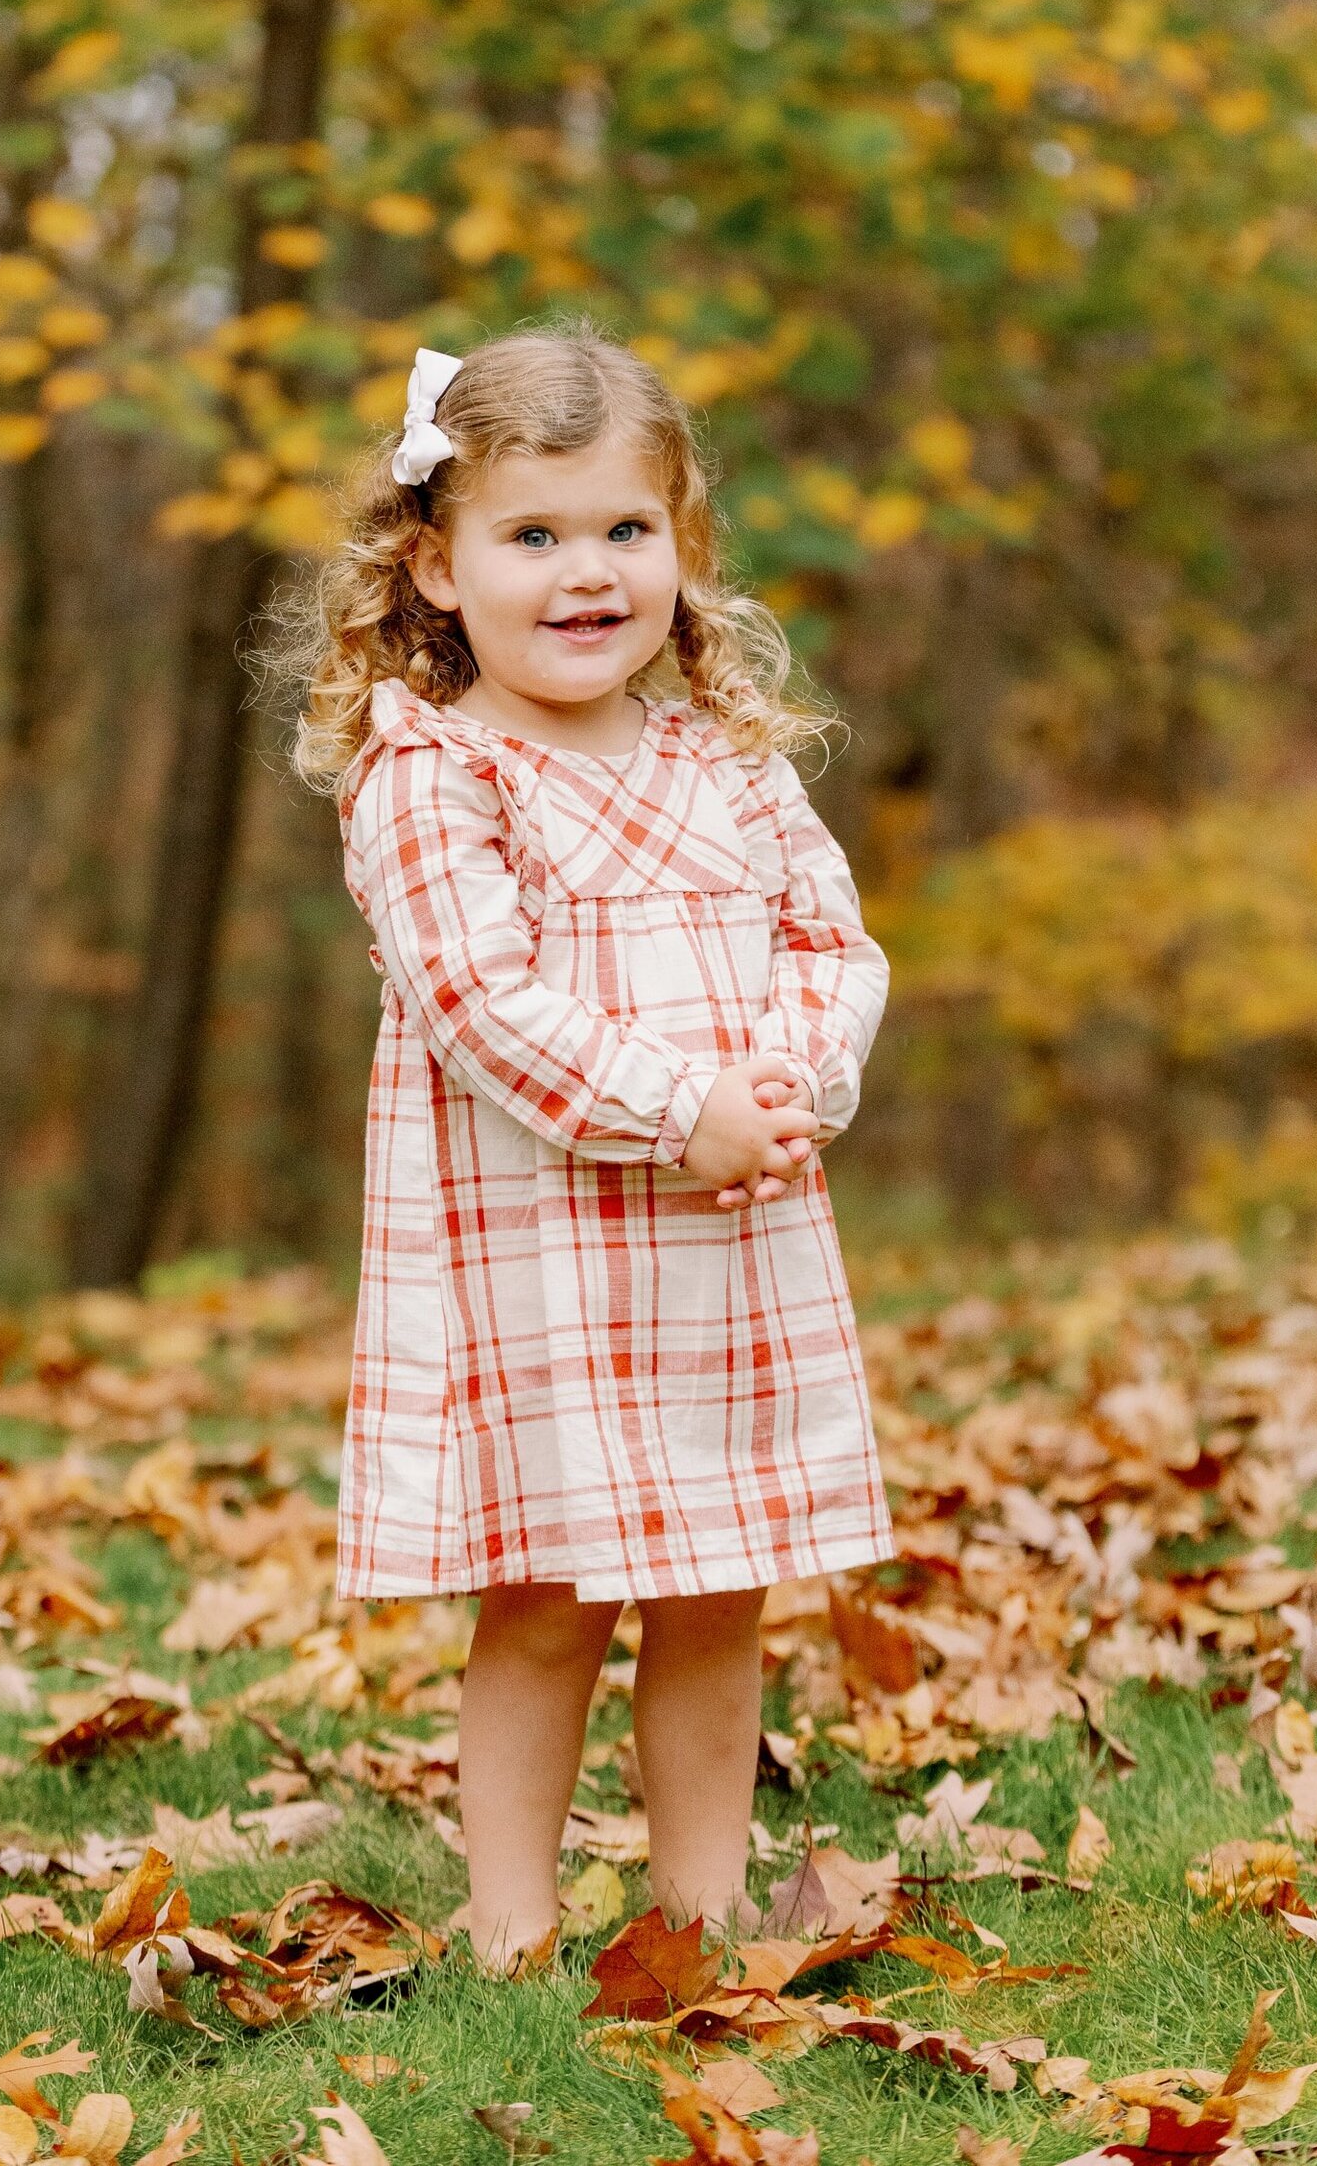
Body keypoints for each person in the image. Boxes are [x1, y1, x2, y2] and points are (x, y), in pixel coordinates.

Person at [280, 320, 893, 1972]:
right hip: (544, 1262)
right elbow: (481, 998)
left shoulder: (731, 766)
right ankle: (513, 1929)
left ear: (683, 550)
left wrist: (786, 1085)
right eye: (531, 535)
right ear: (435, 562)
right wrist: (673, 1107)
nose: (585, 574)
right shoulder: (430, 773)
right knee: (551, 1598)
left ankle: (700, 1910)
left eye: (625, 530)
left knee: (717, 1585)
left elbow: (831, 948)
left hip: (732, 1239)